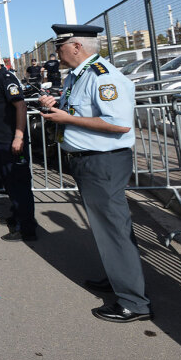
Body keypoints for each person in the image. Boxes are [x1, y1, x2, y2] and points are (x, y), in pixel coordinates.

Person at [39, 24, 151, 323]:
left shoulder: (104, 76)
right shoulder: (80, 76)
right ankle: (119, 279)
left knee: (113, 229)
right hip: (90, 162)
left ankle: (133, 302)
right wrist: (55, 106)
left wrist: (68, 118)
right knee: (106, 229)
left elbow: (119, 124)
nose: (56, 52)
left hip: (103, 162)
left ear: (76, 47)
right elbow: (80, 111)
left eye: (60, 45)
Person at [0, 47, 36, 241]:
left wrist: (18, 136)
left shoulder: (6, 79)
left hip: (13, 142)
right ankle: (17, 217)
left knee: (19, 185)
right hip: (1, 140)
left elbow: (20, 106)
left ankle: (26, 229)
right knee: (10, 183)